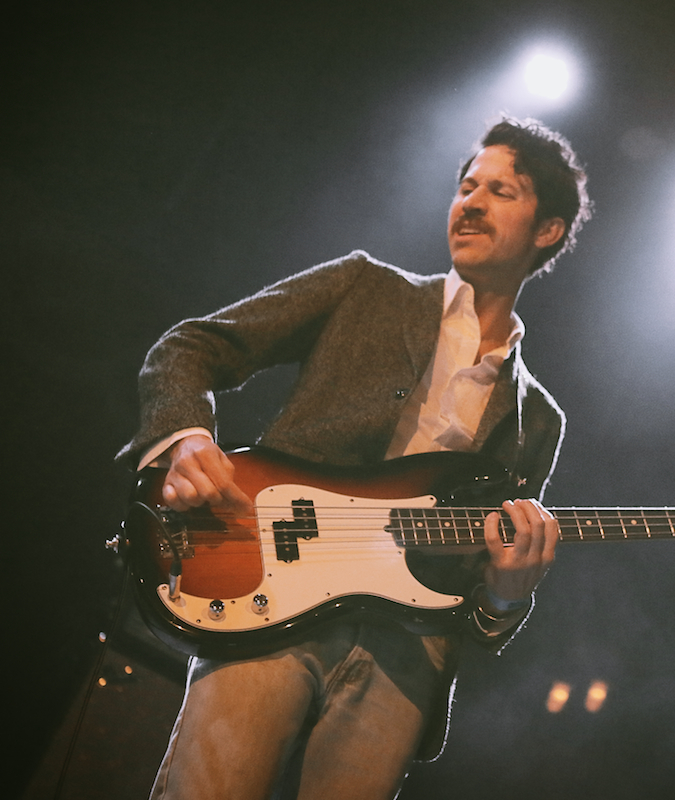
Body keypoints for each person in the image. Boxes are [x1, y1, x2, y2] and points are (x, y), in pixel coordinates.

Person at [117, 116, 592, 799]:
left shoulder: (538, 419)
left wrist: (508, 595)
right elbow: (188, 348)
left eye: (502, 191)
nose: (472, 203)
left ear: (547, 229)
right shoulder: (365, 287)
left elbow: (481, 612)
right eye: (466, 186)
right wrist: (186, 438)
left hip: (406, 656)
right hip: (272, 592)